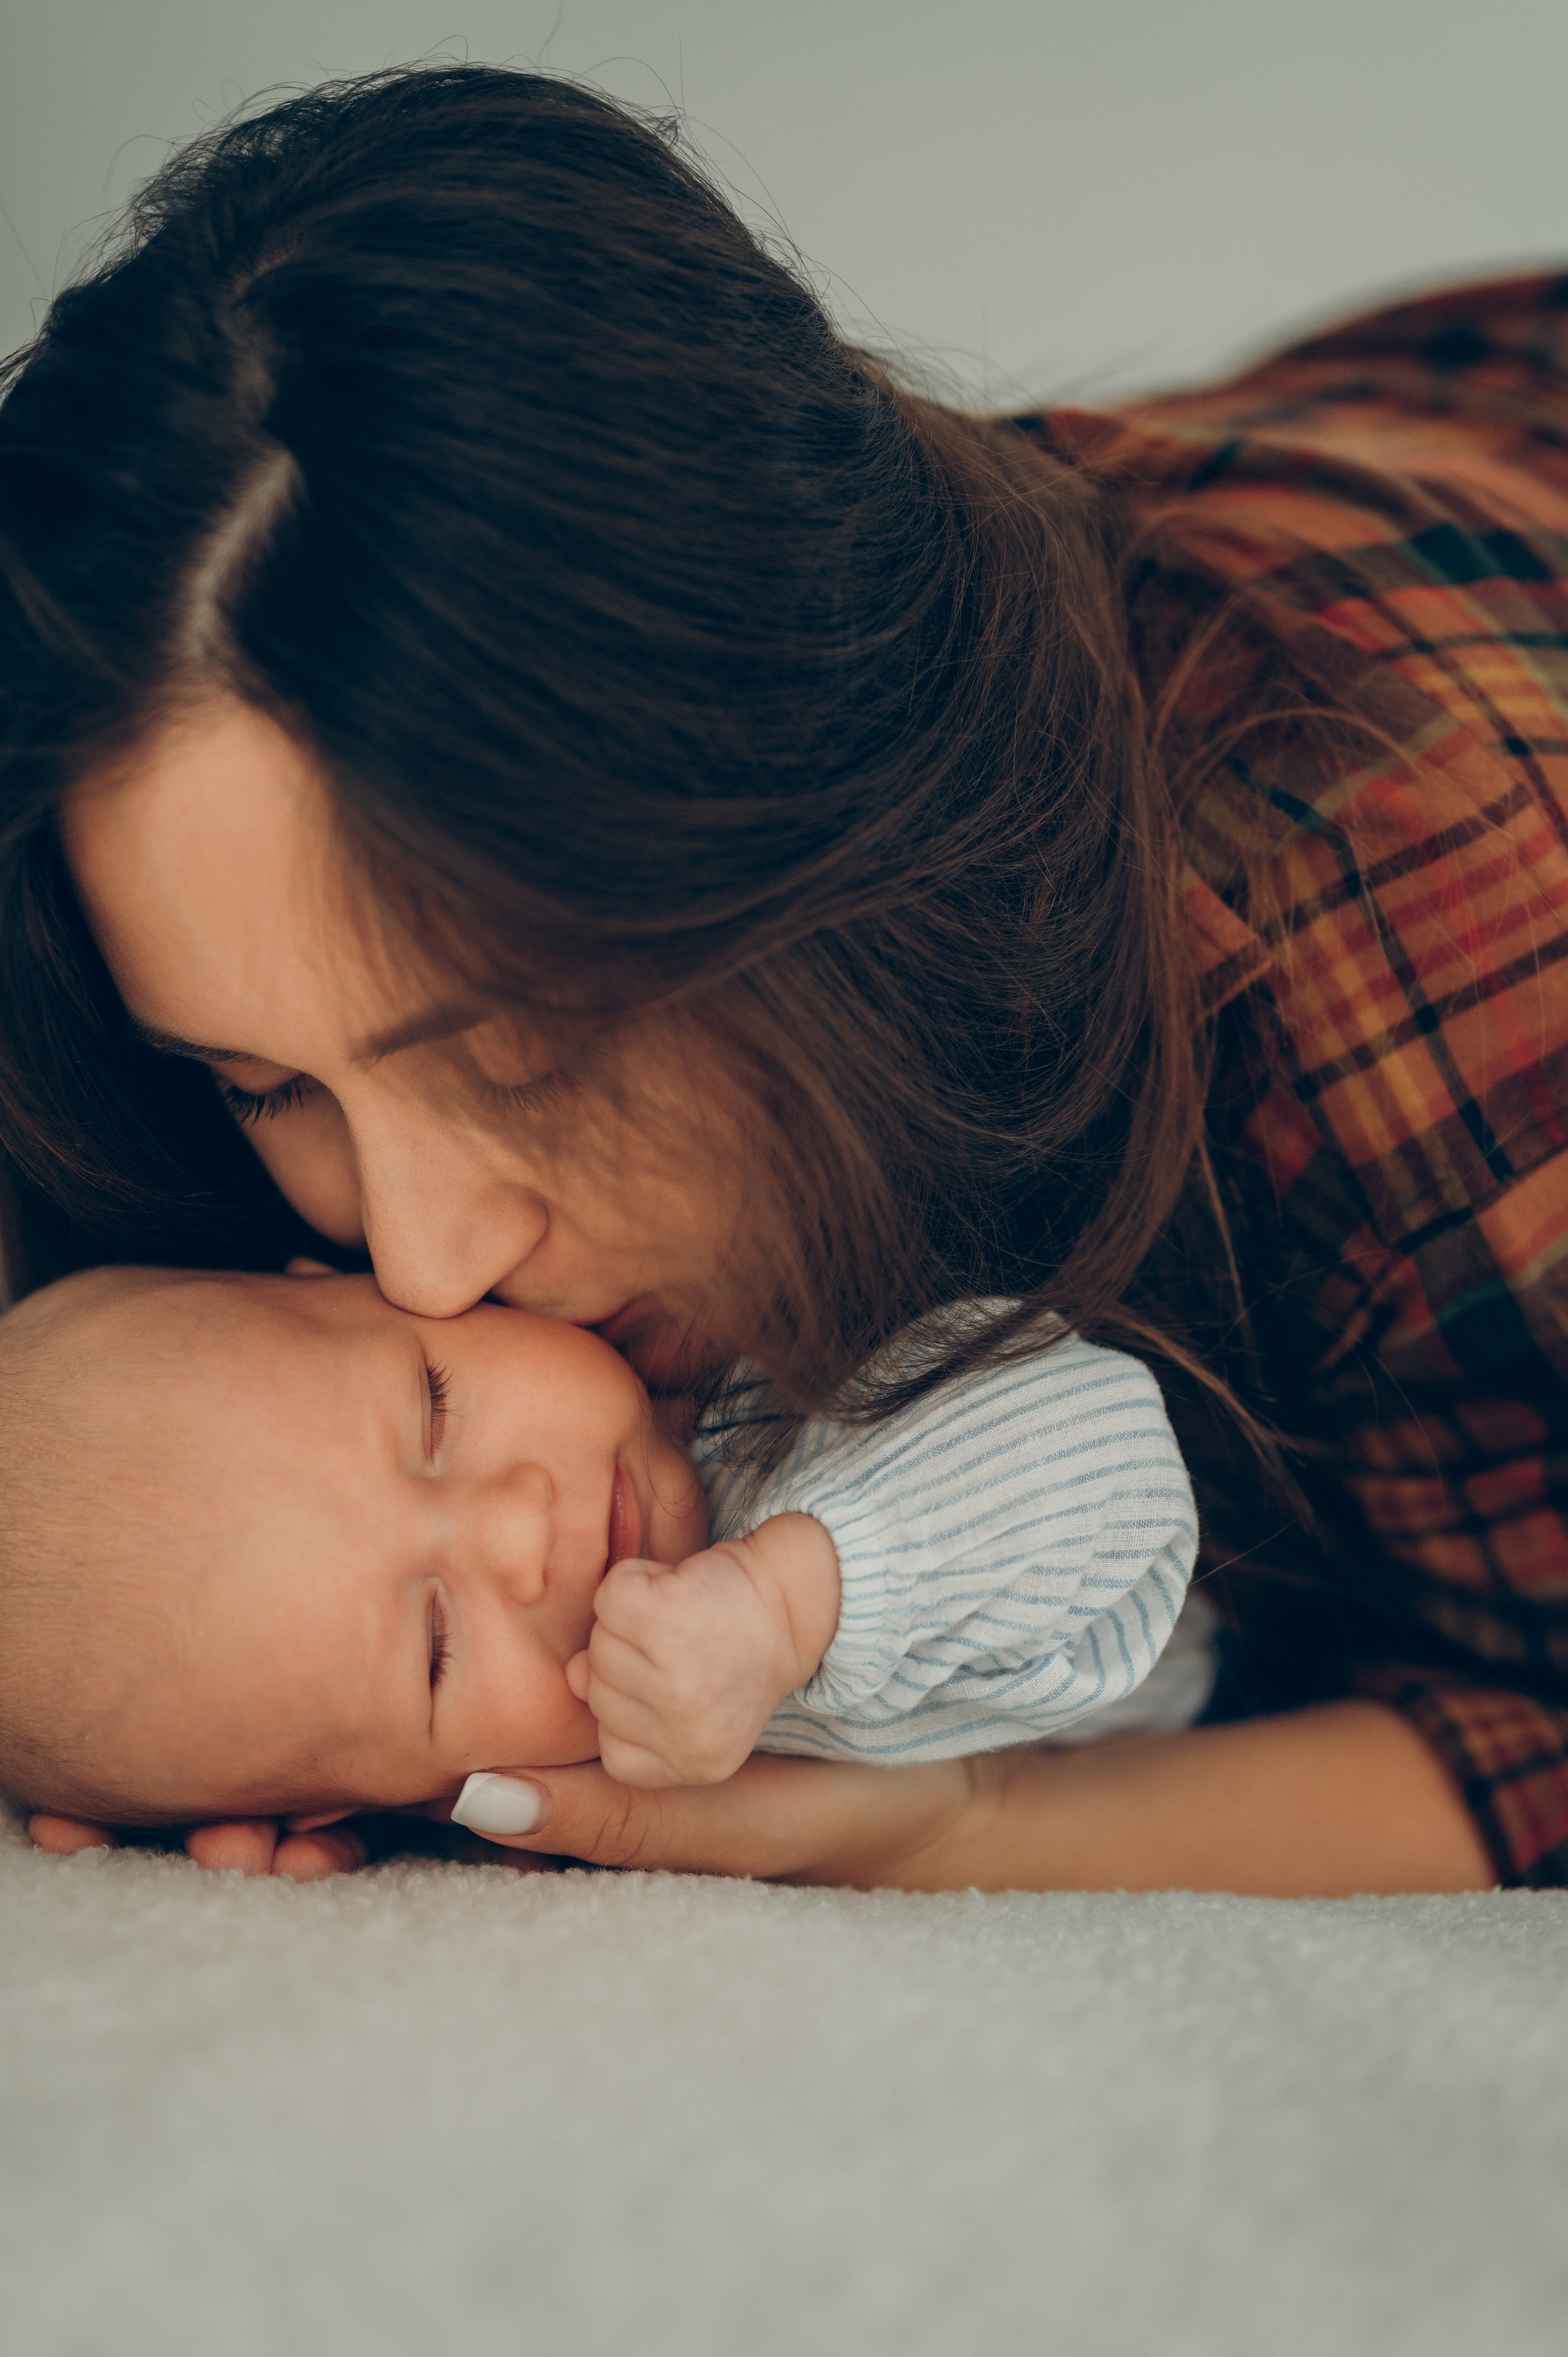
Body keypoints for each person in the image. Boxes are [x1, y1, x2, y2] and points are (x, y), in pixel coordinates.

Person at [1, 64, 1559, 1894]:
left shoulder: (1411, 900)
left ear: (803, 849)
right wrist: (202, 1683)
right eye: (266, 1086)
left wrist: (956, 1826)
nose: (419, 1264)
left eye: (519, 1052)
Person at [0, 1264, 1204, 1827]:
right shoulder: (559, 1768)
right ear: (368, 1801)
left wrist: (787, 1601)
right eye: (432, 1652)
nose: (520, 1528)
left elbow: (1110, 1449)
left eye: (433, 1406)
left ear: (382, 1284)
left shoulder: (766, 1395)